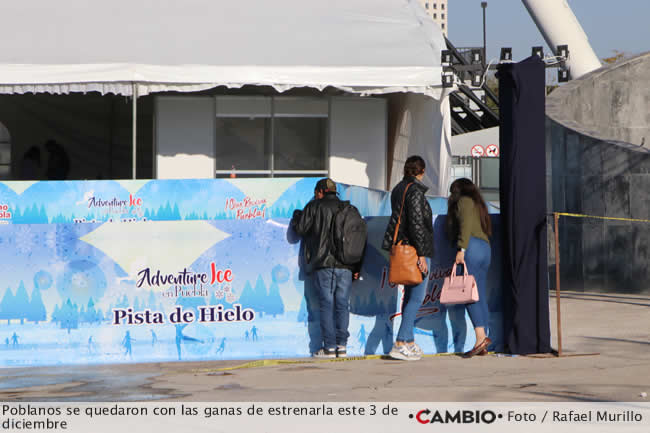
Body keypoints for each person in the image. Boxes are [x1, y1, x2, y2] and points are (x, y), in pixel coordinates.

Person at [291, 178, 361, 358]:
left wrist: (298, 215)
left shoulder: (314, 207)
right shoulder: (348, 209)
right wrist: (356, 265)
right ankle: (342, 346)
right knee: (342, 305)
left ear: (320, 192)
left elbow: (300, 229)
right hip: (346, 265)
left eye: (315, 192)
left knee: (326, 305)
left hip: (323, 264)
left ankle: (329, 348)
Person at [382, 155, 433, 361]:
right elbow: (416, 224)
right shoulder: (415, 192)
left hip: (402, 247)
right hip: (414, 250)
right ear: (421, 172)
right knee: (418, 297)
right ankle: (401, 341)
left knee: (410, 297)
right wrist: (421, 254)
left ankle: (409, 340)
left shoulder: (398, 189)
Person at [446, 177, 492, 358]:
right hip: (484, 249)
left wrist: (461, 249)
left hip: (470, 248)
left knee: (467, 294)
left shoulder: (463, 202)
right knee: (478, 294)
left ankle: (480, 338)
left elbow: (464, 226)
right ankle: (485, 340)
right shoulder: (478, 204)